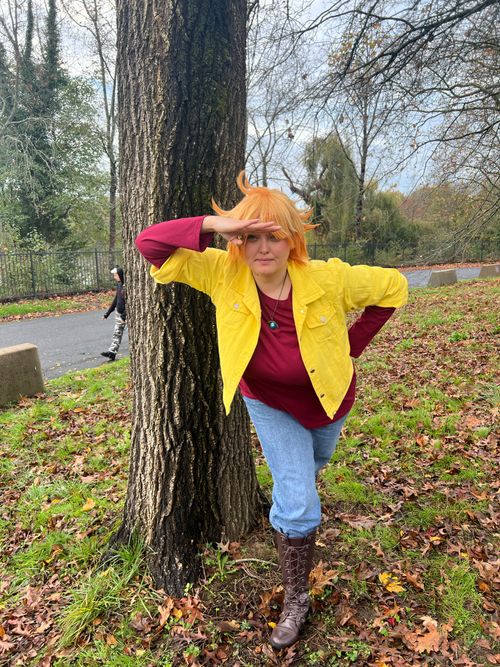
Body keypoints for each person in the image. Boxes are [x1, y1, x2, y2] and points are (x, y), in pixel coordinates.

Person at [135, 173, 408, 650]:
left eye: (274, 236)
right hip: (267, 402)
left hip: (329, 400)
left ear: (292, 240)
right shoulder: (222, 273)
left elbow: (394, 287)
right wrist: (217, 225)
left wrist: (351, 346)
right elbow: (150, 245)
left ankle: (292, 497)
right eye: (251, 237)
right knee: (299, 498)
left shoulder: (327, 278)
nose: (263, 248)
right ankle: (297, 599)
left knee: (312, 465)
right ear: (237, 242)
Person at [101, 267, 126, 362]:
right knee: (117, 333)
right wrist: (107, 313)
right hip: (119, 313)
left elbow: (130, 303)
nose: (114, 277)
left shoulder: (126, 287)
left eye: (115, 275)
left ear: (120, 275)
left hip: (126, 315)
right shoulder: (119, 285)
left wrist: (124, 316)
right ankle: (112, 352)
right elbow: (116, 299)